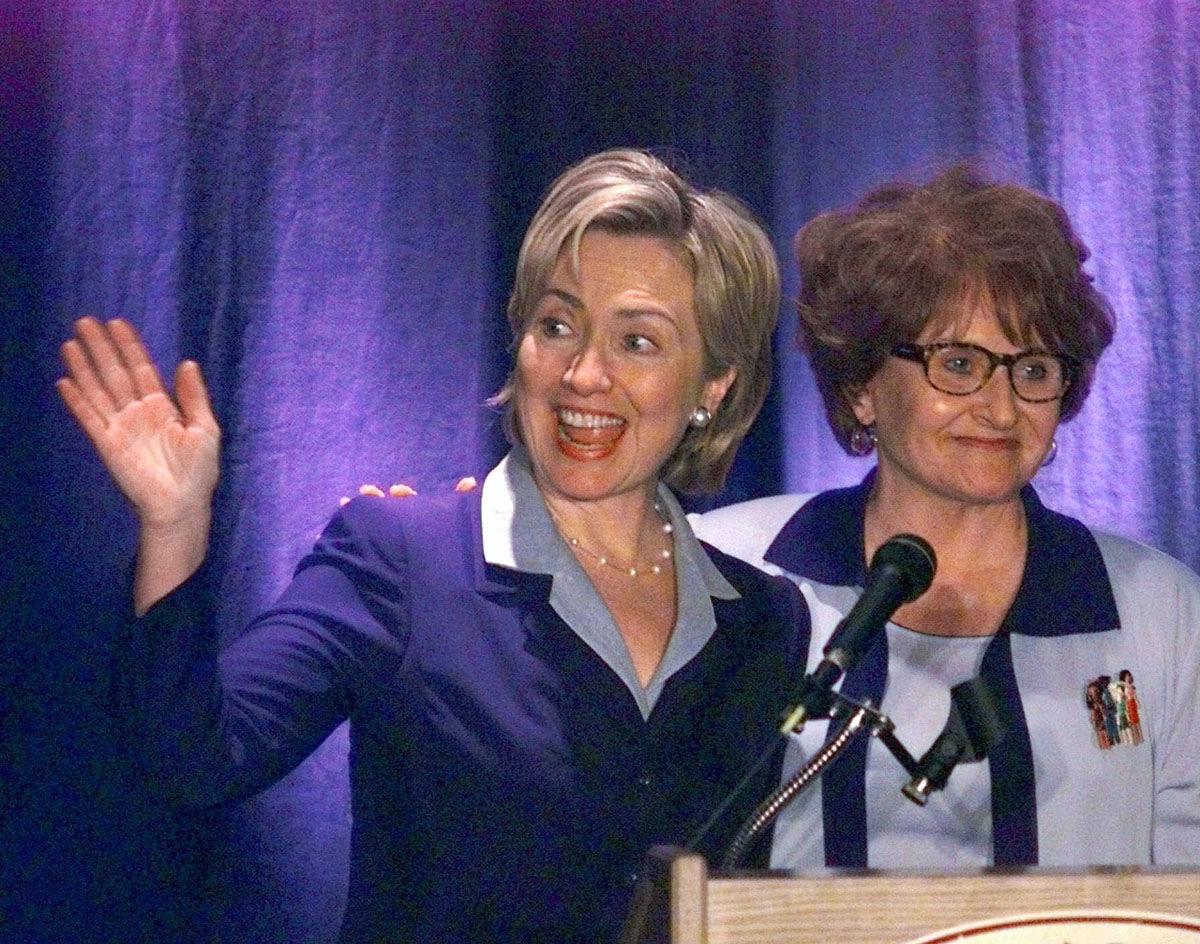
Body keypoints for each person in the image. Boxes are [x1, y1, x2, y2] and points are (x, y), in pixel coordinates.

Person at [56, 149, 809, 942]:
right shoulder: (400, 559)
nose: (585, 374)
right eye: (558, 326)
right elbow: (195, 760)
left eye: (639, 343)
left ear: (714, 385)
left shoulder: (764, 622)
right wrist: (174, 525)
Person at [693, 165, 1200, 868]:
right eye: (958, 363)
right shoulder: (733, 574)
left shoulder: (1160, 612)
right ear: (862, 384)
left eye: (1032, 370)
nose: (999, 409)